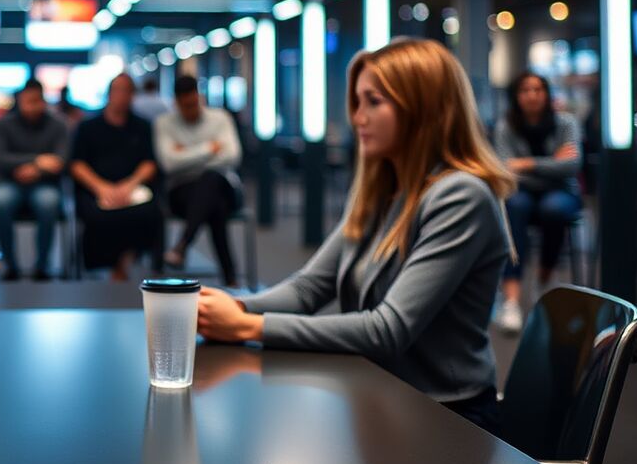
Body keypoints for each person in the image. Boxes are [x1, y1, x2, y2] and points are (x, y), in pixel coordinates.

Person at [195, 39, 515, 433]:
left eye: (374, 101)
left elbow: (387, 330)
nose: (358, 117)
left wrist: (246, 327)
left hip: (448, 419)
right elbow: (309, 289)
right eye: (357, 102)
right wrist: (236, 308)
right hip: (385, 395)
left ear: (423, 108)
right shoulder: (383, 189)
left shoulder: (461, 196)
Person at [490, 71, 582, 334]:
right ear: (516, 97)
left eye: (538, 89)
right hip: (522, 194)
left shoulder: (566, 123)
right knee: (514, 206)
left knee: (553, 208)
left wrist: (528, 164)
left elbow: (572, 166)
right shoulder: (505, 126)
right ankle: (511, 300)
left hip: (561, 192)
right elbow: (505, 169)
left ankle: (544, 281)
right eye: (525, 90)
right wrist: (552, 162)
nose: (532, 95)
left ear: (547, 94)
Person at [69, 74, 165, 280]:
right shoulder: (88, 127)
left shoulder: (142, 126)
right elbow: (77, 165)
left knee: (149, 212)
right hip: (96, 189)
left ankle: (127, 260)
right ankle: (107, 265)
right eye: (117, 90)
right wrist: (102, 188)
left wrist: (129, 186)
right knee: (97, 214)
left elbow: (149, 163)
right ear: (109, 94)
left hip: (133, 189)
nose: (121, 96)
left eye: (126, 91)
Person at [154, 74, 243, 287]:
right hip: (182, 192)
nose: (191, 109)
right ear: (176, 103)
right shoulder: (164, 123)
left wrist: (185, 153)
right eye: (185, 106)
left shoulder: (220, 118)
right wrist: (209, 149)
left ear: (200, 98)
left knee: (211, 180)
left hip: (222, 185)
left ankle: (182, 245)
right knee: (215, 205)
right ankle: (230, 276)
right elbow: (168, 163)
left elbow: (232, 156)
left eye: (194, 103)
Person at [0, 80, 70, 281]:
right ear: (19, 100)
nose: (33, 106)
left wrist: (35, 170)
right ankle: (10, 266)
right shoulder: (3, 124)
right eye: (28, 101)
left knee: (48, 202)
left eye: (37, 101)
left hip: (44, 183)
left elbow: (60, 161)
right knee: (1, 201)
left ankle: (42, 267)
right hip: (11, 182)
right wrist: (37, 160)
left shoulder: (58, 125)